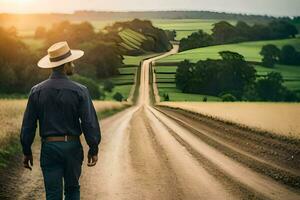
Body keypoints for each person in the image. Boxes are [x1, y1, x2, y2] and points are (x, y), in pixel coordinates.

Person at [20, 41, 101, 200]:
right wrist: (93, 147)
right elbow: (89, 123)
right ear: (65, 65)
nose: (74, 65)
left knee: (52, 194)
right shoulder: (81, 91)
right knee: (72, 189)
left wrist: (26, 150)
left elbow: (28, 125)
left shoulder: (36, 91)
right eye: (71, 62)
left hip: (49, 147)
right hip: (72, 147)